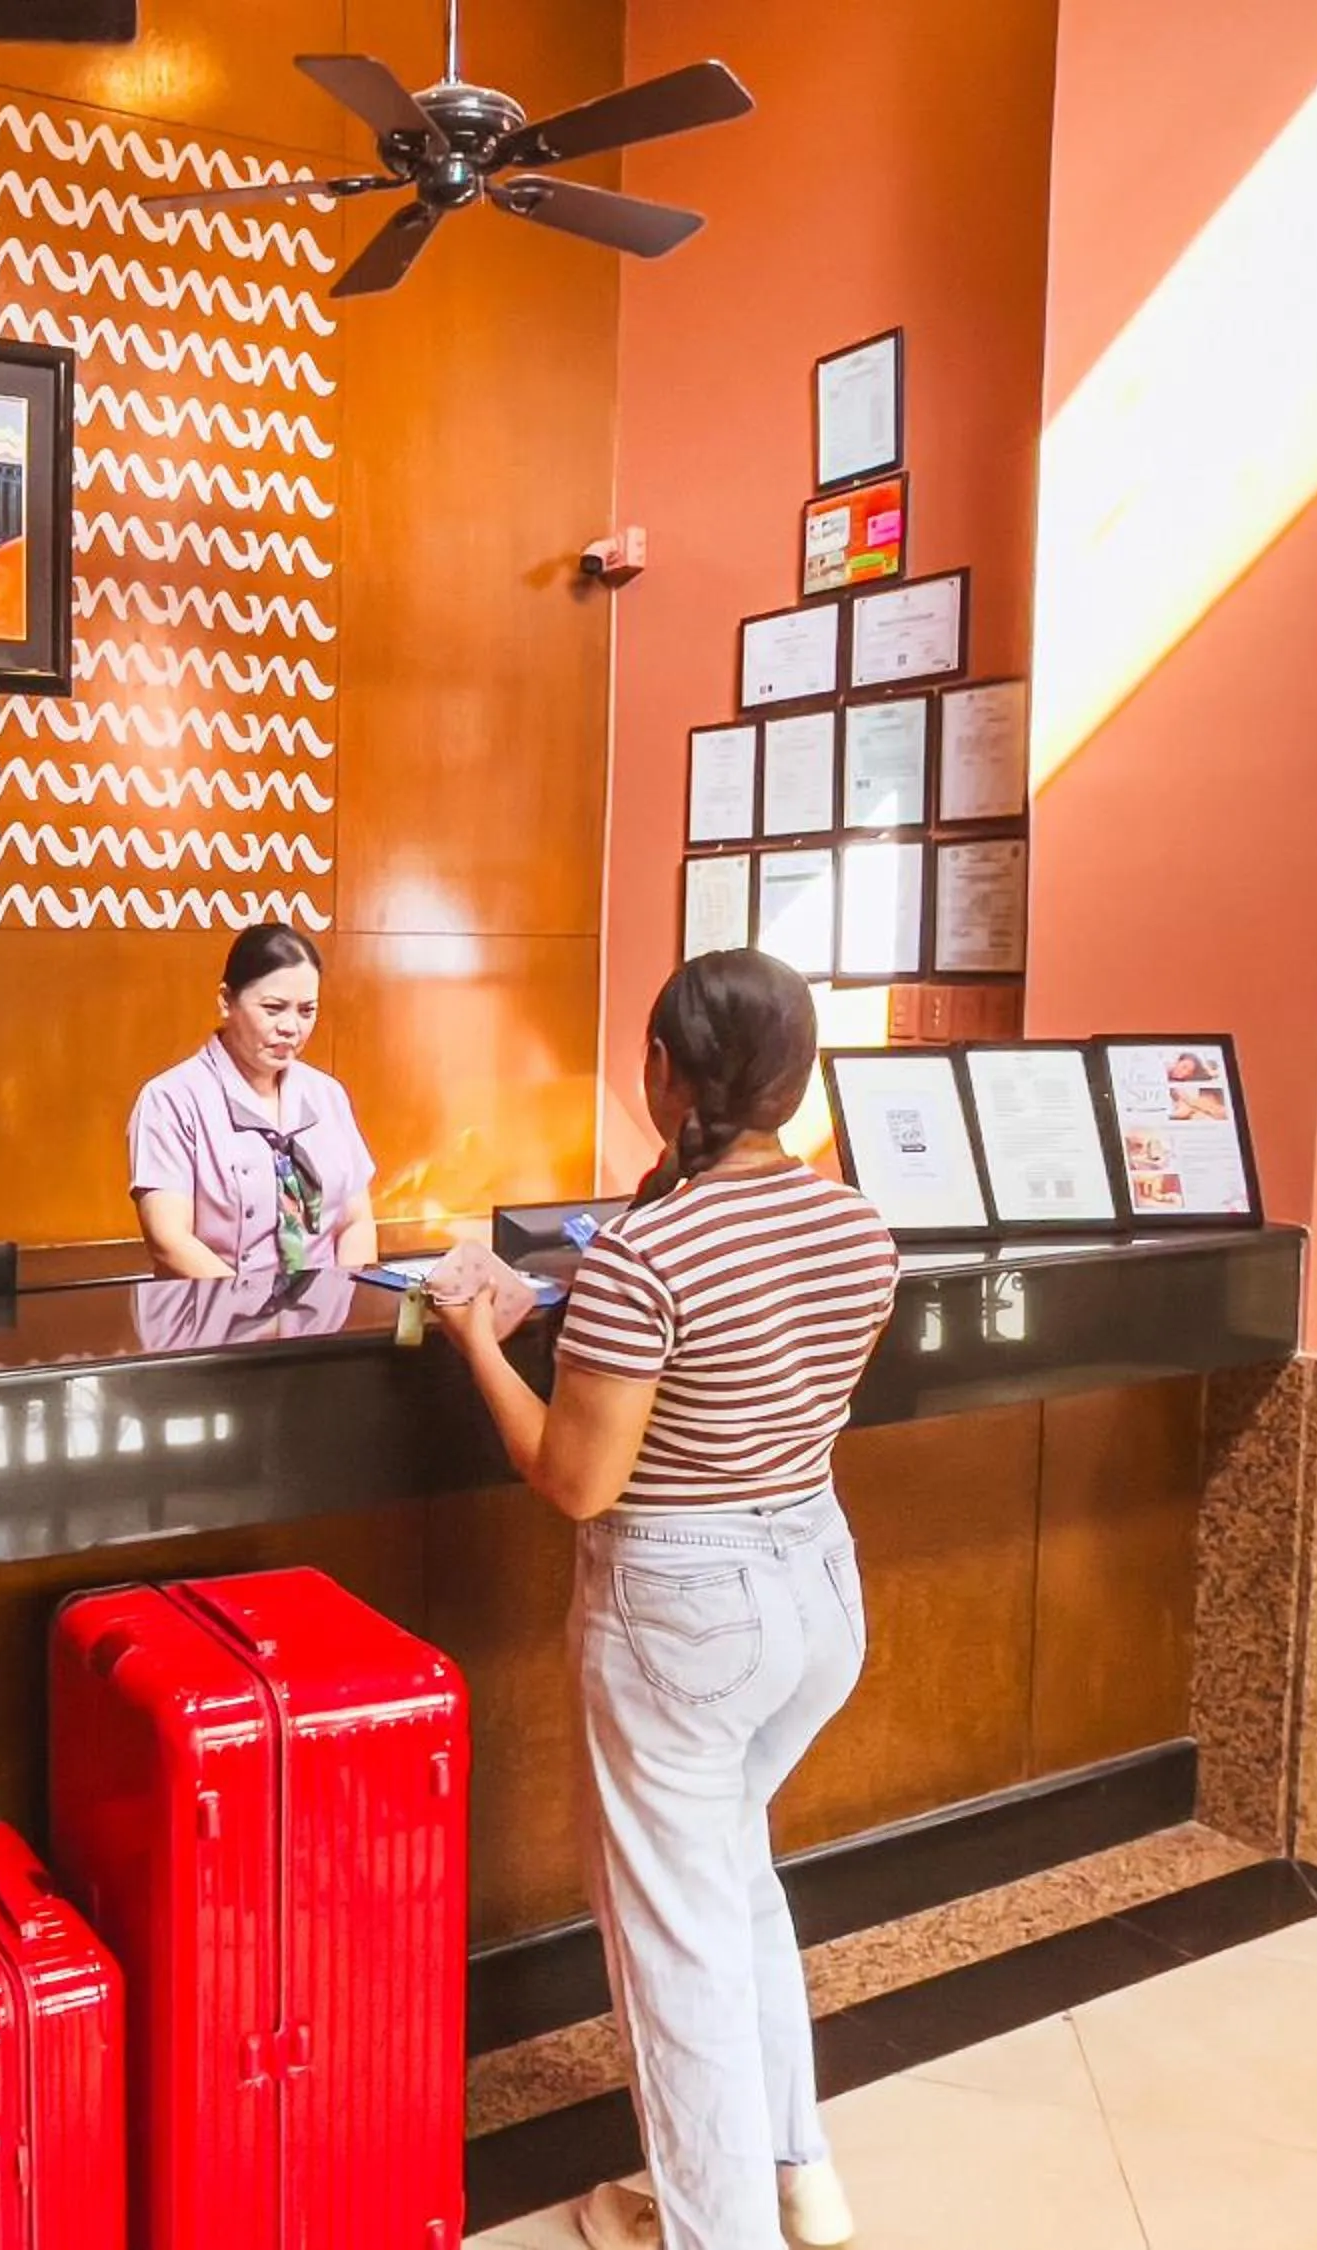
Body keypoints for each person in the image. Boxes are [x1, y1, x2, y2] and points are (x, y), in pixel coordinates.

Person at [432, 950, 898, 2250]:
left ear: (661, 1069)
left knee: (674, 1947)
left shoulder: (651, 1248)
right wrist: (569, 1325)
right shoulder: (860, 1225)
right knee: (733, 1880)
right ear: (796, 1080)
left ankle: (720, 2229)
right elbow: (742, 1388)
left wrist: (483, 1336)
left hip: (685, 1616)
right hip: (813, 1585)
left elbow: (579, 1479)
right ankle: (799, 2172)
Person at [129, 923, 379, 1281]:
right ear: (226, 1000)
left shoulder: (327, 1095)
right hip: (214, 1323)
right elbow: (169, 1240)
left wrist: (344, 1302)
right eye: (274, 1008)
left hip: (322, 1322)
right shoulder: (171, 1099)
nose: (291, 1027)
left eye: (306, 1011)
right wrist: (252, 1313)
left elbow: (355, 1221)